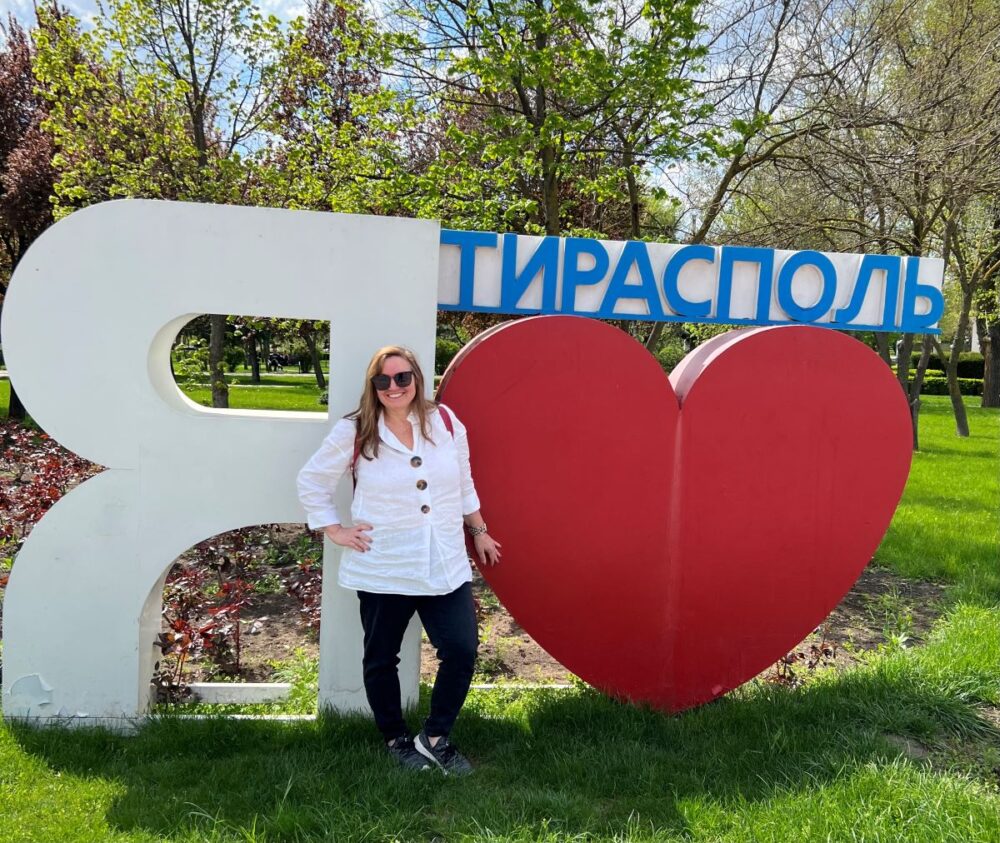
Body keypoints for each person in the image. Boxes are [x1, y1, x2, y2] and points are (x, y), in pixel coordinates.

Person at [296, 345, 501, 774]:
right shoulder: (354, 432)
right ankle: (396, 739)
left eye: (402, 377)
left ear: (416, 379)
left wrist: (478, 530)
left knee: (461, 648)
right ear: (373, 386)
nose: (394, 387)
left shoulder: (444, 423)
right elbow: (312, 480)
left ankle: (435, 737)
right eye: (383, 380)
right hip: (385, 563)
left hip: (442, 560)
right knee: (381, 657)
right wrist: (334, 529)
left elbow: (463, 481)